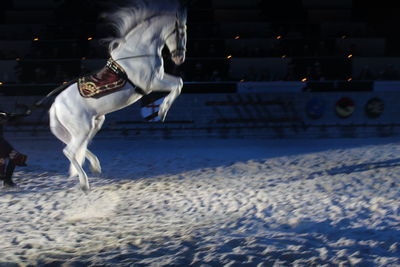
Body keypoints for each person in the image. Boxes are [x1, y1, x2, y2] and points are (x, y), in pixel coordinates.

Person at [0, 111, 28, 187]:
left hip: (2, 143)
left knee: (15, 156)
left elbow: (8, 117)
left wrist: (23, 114)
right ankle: (6, 180)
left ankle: (8, 181)